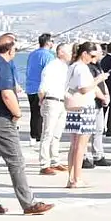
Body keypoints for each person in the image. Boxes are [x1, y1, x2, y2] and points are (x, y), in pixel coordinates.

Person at [0, 34, 54, 216]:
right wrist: (17, 113)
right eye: (15, 48)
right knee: (16, 161)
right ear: (10, 50)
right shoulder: (3, 66)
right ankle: (29, 203)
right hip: (0, 120)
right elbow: (6, 94)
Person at [65, 42, 110, 188]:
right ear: (84, 54)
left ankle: (71, 178)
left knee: (74, 145)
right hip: (84, 107)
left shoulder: (71, 66)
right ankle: (77, 178)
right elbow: (84, 88)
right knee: (81, 145)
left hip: (73, 106)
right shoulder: (82, 68)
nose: (92, 59)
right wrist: (99, 79)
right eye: (91, 56)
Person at [37, 44, 71, 175]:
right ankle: (44, 163)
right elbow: (42, 87)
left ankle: (55, 160)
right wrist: (42, 100)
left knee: (57, 134)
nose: (71, 54)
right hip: (52, 100)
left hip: (62, 101)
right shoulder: (51, 66)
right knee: (48, 133)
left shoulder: (65, 67)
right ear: (61, 52)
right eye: (68, 51)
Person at [84, 47, 111, 168]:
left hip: (99, 103)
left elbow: (102, 84)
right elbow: (92, 85)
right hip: (91, 102)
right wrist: (102, 97)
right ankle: (84, 156)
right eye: (100, 51)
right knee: (86, 131)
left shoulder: (98, 66)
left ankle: (98, 155)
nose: (102, 53)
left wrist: (107, 95)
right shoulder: (88, 67)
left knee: (99, 129)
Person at [24, 33, 55, 146]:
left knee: (34, 113)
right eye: (52, 41)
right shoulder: (49, 56)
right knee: (44, 114)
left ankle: (34, 135)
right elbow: (50, 73)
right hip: (41, 88)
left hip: (30, 87)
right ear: (48, 42)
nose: (53, 44)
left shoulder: (32, 54)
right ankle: (39, 136)